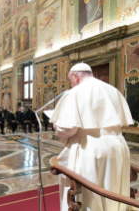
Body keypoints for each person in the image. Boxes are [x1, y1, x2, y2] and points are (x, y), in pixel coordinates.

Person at [50, 63, 133, 211]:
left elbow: (66, 129)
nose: (71, 83)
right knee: (115, 189)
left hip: (90, 149)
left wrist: (57, 126)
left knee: (92, 195)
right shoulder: (113, 90)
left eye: (71, 80)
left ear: (75, 76)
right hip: (118, 146)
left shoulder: (75, 92)